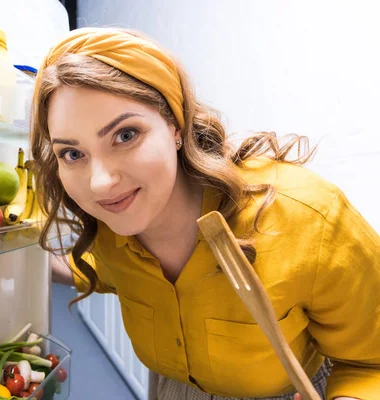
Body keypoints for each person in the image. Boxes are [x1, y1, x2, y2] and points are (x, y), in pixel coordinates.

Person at [29, 27, 380, 400]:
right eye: (72, 153)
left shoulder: (307, 218)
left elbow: (370, 361)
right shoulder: (112, 229)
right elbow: (101, 272)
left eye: (126, 135)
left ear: (175, 125)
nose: (99, 184)